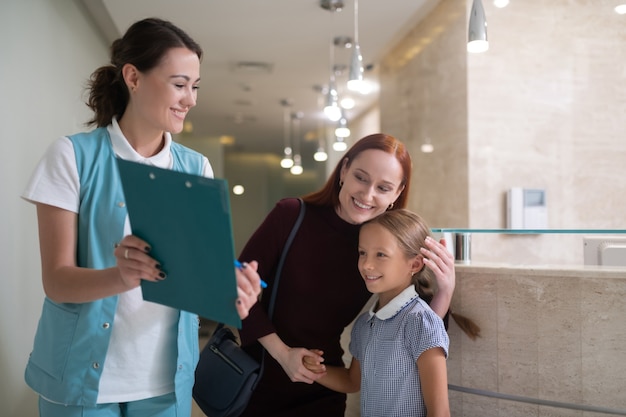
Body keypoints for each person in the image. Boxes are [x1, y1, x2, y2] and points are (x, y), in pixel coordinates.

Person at [21, 17, 261, 417]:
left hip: (165, 383)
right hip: (82, 382)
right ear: (133, 76)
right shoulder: (72, 157)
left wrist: (230, 291)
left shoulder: (195, 167)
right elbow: (57, 281)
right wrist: (121, 276)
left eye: (195, 87)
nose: (191, 99)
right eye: (180, 84)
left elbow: (196, 275)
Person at [237, 133, 456, 417]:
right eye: (361, 178)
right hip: (261, 380)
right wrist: (283, 354)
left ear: (397, 193)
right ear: (344, 170)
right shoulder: (291, 215)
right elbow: (236, 289)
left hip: (324, 387)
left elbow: (417, 327)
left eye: (383, 187)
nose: (367, 195)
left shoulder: (384, 244)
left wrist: (445, 290)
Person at [303, 209, 450, 417]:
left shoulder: (421, 322)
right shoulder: (364, 324)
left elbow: (440, 413)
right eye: (362, 253)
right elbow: (352, 381)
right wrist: (314, 370)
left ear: (415, 264)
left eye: (380, 254)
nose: (366, 264)